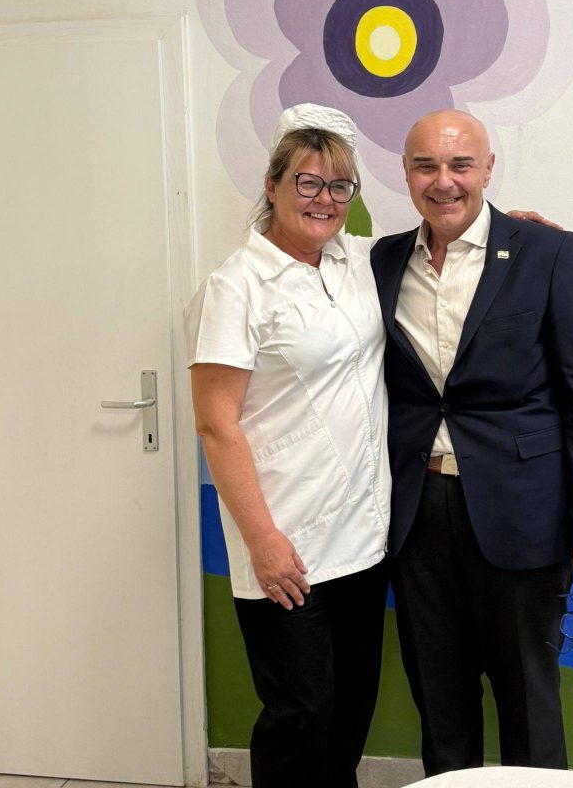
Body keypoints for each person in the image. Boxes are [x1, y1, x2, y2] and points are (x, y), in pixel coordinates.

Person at [370, 110, 573, 776]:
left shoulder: (547, 253)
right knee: (440, 699)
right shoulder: (381, 260)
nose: (443, 181)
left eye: (460, 165)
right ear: (405, 173)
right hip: (417, 513)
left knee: (528, 700)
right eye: (426, 165)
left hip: (522, 511)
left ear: (487, 169)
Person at [184, 104, 391, 788]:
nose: (324, 199)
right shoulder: (235, 287)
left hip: (362, 539)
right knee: (300, 715)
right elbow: (216, 424)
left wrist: (519, 232)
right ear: (272, 185)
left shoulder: (355, 261)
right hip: (288, 545)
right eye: (307, 182)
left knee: (350, 710)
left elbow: (440, 243)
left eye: (339, 185)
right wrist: (263, 541)